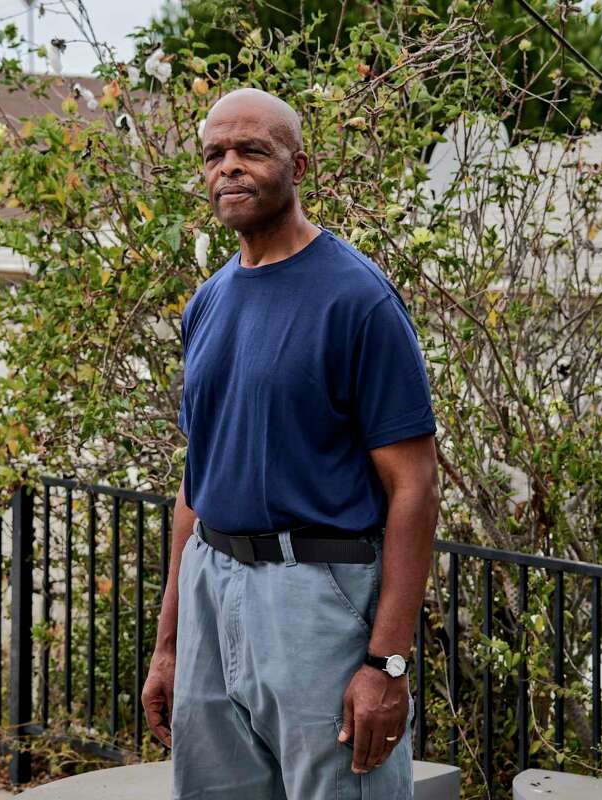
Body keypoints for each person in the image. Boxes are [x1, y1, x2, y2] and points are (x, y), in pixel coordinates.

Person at [141, 87, 440, 800]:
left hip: (316, 599)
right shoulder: (209, 301)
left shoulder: (356, 298)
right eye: (215, 154)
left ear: (298, 165)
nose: (230, 168)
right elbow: (198, 476)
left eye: (252, 151)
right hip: (212, 586)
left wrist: (387, 665)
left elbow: (415, 487)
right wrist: (170, 643)